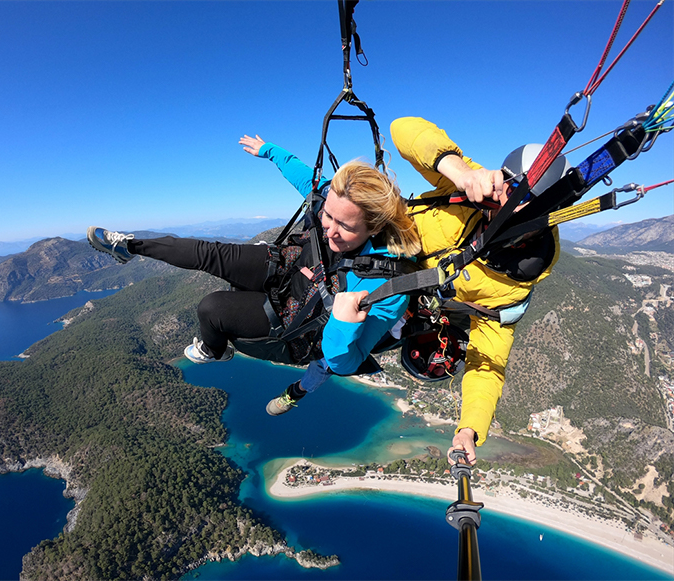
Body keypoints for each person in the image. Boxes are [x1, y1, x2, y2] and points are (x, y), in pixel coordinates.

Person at [87, 134, 421, 415]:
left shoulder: (385, 284)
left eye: (345, 226)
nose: (330, 229)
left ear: (375, 227)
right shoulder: (332, 202)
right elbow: (304, 177)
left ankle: (214, 350)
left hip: (296, 325)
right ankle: (129, 246)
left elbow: (344, 362)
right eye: (328, 216)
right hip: (290, 266)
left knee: (212, 309)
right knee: (212, 253)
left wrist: (344, 322)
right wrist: (270, 151)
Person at [324, 116, 567, 464]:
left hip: (390, 291)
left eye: (516, 199)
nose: (502, 201)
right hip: (373, 244)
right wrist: (460, 172)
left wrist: (469, 428)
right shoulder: (472, 188)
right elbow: (402, 130)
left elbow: (488, 365)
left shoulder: (509, 291)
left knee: (346, 347)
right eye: (507, 187)